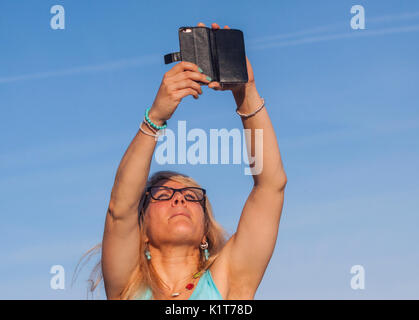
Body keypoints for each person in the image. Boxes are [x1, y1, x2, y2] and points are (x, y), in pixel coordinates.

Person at [81, 22, 287, 300]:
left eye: (192, 196)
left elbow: (270, 186)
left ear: (205, 230)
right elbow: (120, 208)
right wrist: (154, 119)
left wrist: (246, 94)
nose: (179, 200)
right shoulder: (127, 287)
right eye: (163, 194)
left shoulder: (229, 280)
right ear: (141, 231)